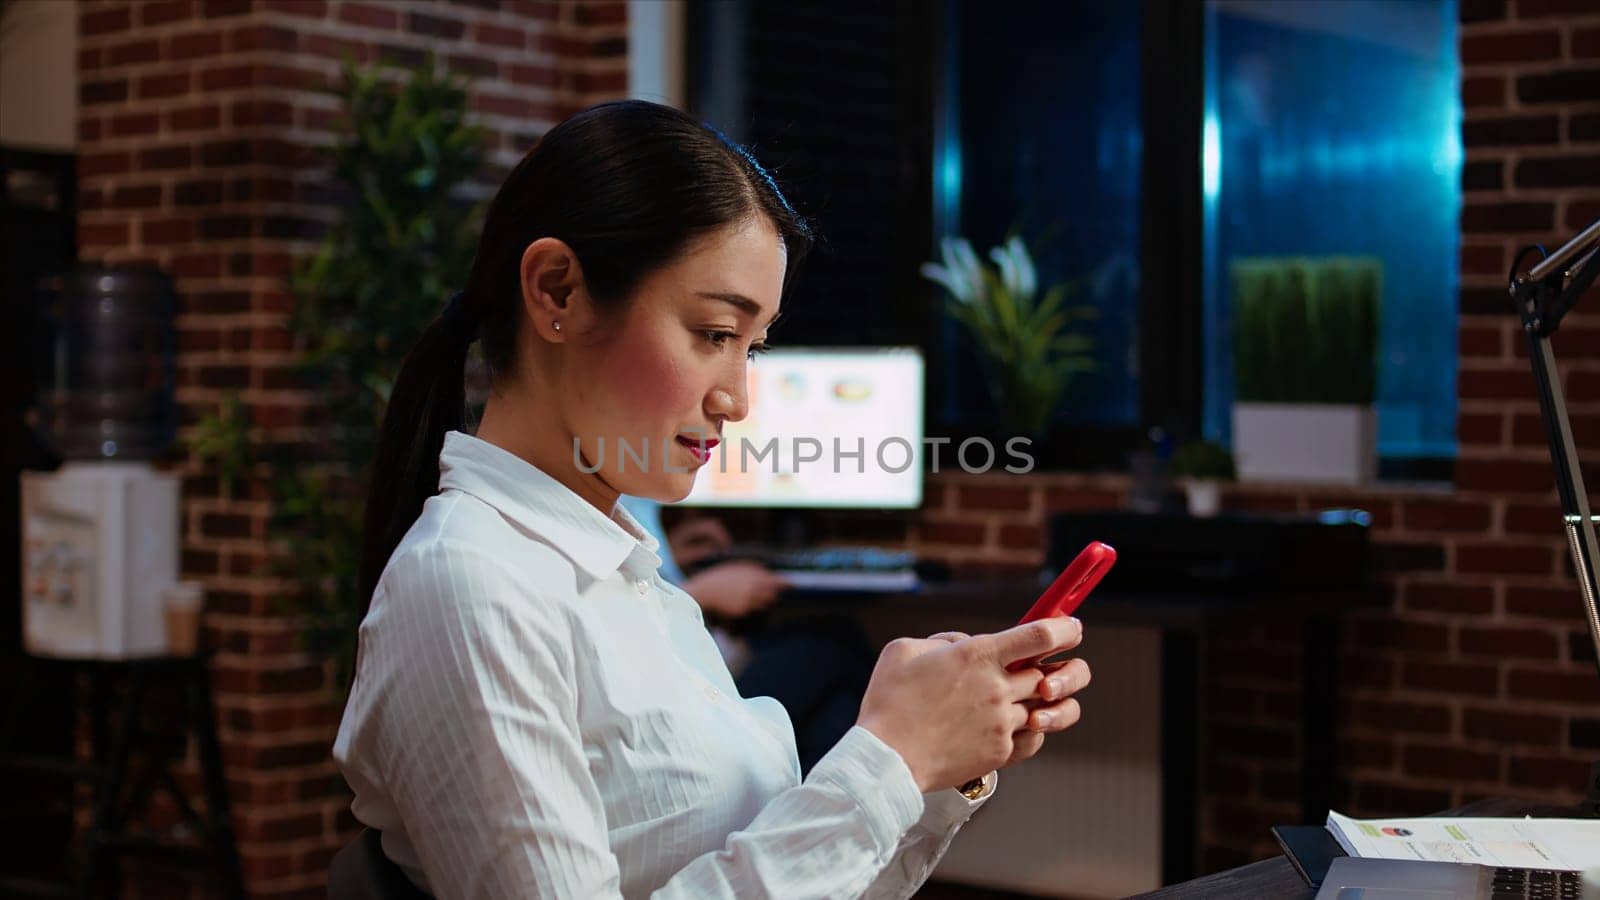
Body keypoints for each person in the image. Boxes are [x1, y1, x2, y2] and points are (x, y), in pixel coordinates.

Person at [332, 99, 1092, 899]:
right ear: (557, 291)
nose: (739, 397)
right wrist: (890, 758)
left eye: (753, 346)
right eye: (714, 334)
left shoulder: (632, 580)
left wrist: (936, 767)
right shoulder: (469, 584)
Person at [616, 498, 877, 775]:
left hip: (712, 654)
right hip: (692, 682)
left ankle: (810, 800)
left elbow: (638, 583)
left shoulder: (630, 503)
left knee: (837, 707)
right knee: (839, 644)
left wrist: (671, 555)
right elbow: (619, 623)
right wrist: (704, 591)